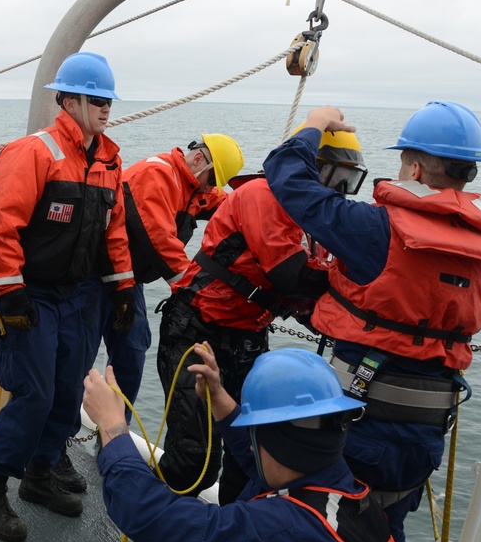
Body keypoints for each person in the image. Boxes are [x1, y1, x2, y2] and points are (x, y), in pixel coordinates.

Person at [264, 102, 481, 542]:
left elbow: (286, 177)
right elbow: (477, 315)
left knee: (314, 520)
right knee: (387, 531)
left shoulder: (375, 230)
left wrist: (316, 122)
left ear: (412, 167)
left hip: (355, 425)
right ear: (467, 172)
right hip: (425, 434)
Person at [83, 345, 408, 542]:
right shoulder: (349, 496)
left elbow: (148, 514)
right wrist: (219, 397)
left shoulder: (281, 531)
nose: (250, 445)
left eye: (254, 435)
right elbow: (274, 456)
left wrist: (113, 426)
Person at [0, 51, 134, 542]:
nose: (106, 108)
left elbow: (115, 232)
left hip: (80, 297)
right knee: (36, 392)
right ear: (70, 100)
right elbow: (1, 224)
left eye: (109, 100)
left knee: (68, 391)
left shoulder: (109, 158)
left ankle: (40, 475)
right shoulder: (33, 153)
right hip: (34, 296)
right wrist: (10, 294)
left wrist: (124, 290)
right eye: (98, 99)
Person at [155, 129, 366, 505]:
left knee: (251, 456)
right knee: (195, 459)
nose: (340, 191)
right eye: (337, 177)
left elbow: (307, 294)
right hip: (197, 332)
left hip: (247, 340)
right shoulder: (260, 195)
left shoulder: (309, 223)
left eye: (350, 181)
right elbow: (292, 275)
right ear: (310, 168)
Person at [86, 135, 238, 420]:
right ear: (198, 160)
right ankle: (57, 445)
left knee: (131, 354)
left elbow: (225, 202)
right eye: (212, 178)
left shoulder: (193, 187)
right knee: (78, 357)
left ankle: (114, 430)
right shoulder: (157, 174)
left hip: (130, 280)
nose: (212, 186)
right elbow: (160, 242)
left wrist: (260, 199)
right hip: (96, 277)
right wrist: (196, 294)